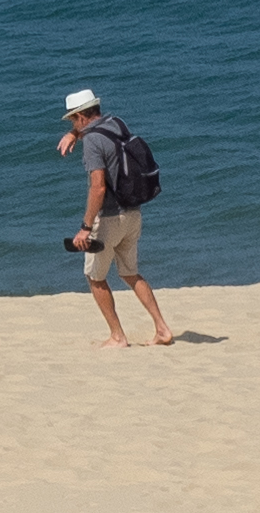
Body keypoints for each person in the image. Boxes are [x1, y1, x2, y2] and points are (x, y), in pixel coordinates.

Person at [56, 87, 173, 347]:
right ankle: (162, 329)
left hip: (109, 219)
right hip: (132, 213)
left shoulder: (92, 142)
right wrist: (74, 133)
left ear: (81, 116)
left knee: (95, 277)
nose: (72, 124)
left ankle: (118, 336)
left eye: (73, 120)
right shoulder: (117, 123)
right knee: (131, 273)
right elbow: (102, 136)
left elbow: (98, 187)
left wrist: (86, 227)